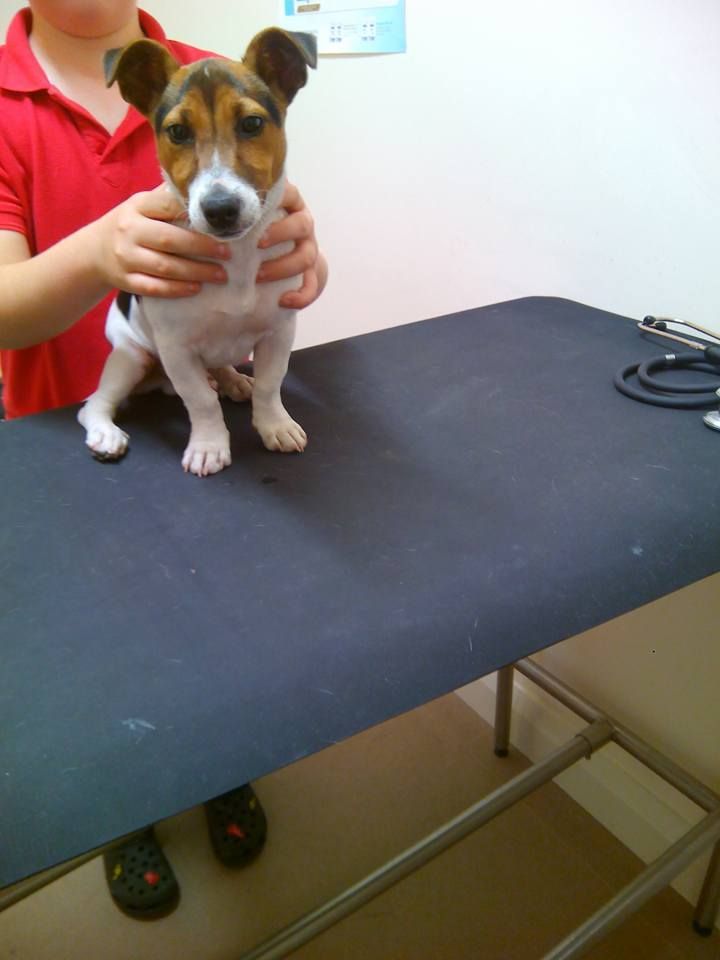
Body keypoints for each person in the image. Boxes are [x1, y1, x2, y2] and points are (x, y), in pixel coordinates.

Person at [0, 2, 328, 918]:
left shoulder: (210, 66)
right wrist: (100, 252)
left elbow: (280, 240)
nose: (216, 164)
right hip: (54, 423)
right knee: (103, 636)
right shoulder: (12, 106)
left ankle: (219, 762)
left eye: (247, 130)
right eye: (181, 137)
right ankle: (127, 804)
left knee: (224, 608)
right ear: (155, 114)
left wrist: (306, 261)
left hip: (206, 399)